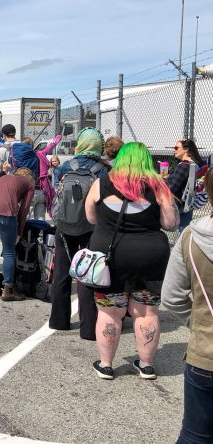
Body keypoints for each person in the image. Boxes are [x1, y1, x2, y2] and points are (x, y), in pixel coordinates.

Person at [85, 142, 178, 380]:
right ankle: (146, 365)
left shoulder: (102, 182)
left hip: (111, 255)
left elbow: (91, 217)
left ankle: (106, 364)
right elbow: (170, 224)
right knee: (147, 312)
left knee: (109, 312)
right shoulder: (158, 186)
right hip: (150, 256)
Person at [163, 169, 213, 443]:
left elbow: (171, 296)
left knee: (195, 435)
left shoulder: (192, 237)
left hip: (205, 352)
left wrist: (198, 322)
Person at [48, 128, 109, 341]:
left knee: (61, 274)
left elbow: (57, 192)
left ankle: (58, 321)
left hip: (64, 226)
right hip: (91, 228)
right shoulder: (103, 170)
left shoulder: (65, 167)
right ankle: (88, 328)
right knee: (87, 276)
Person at [0, 168, 35, 301]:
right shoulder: (29, 184)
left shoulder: (4, 177)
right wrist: (19, 232)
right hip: (5, 214)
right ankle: (8, 289)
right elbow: (24, 210)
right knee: (9, 252)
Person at [167, 138, 206, 232]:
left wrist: (161, 181)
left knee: (181, 234)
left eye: (176, 148)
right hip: (188, 205)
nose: (174, 150)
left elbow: (171, 188)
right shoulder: (195, 165)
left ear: (186, 149)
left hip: (178, 206)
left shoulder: (184, 166)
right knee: (184, 232)